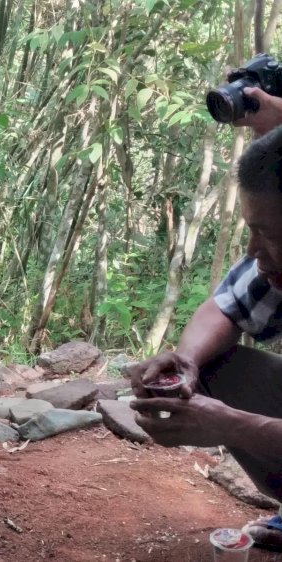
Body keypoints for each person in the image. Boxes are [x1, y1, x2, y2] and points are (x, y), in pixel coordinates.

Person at [127, 127, 282, 551]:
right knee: (217, 362)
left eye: (266, 233)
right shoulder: (274, 263)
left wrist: (232, 424)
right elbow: (225, 307)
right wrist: (188, 361)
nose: (252, 250)